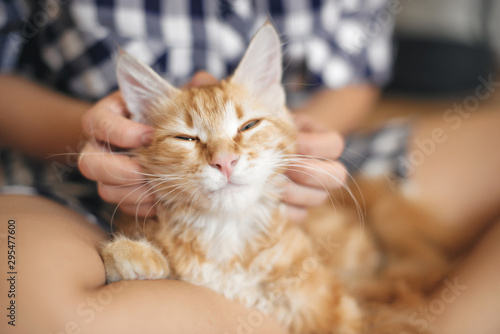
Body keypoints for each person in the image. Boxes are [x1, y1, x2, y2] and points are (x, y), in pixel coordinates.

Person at [1, 1, 498, 334]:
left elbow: (356, 77)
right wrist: (91, 134)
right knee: (19, 301)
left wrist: (299, 152)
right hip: (90, 189)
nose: (223, 154)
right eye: (191, 139)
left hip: (297, 160)